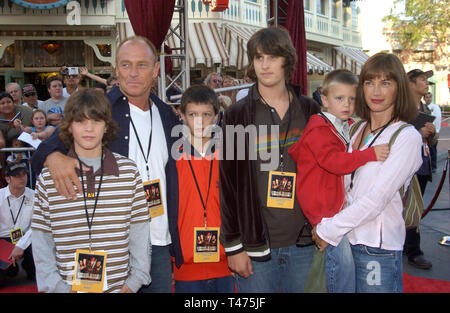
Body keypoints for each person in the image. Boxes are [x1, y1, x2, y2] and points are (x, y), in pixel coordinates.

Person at [30, 36, 183, 293]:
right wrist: (54, 157)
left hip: (158, 240)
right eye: (125, 65)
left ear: (156, 70)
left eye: (142, 65)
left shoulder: (166, 113)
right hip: (112, 249)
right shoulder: (101, 109)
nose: (132, 73)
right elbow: (42, 153)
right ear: (116, 69)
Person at [219, 26, 320, 293]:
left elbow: (324, 173)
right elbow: (228, 187)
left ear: (287, 59)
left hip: (305, 241)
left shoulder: (310, 110)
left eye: (272, 57)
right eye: (258, 57)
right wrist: (234, 247)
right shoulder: (237, 115)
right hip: (255, 246)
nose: (264, 65)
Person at [313, 52, 423, 293]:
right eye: (369, 82)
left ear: (399, 88)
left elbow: (377, 199)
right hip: (343, 241)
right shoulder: (356, 128)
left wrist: (328, 228)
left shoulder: (406, 137)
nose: (376, 91)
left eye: (386, 83)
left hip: (377, 247)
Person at [31, 89, 151, 293]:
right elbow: (42, 240)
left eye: (96, 121)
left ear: (106, 127)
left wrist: (134, 281)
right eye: (80, 121)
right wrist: (58, 287)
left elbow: (140, 230)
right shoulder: (49, 179)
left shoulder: (129, 172)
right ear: (68, 127)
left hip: (119, 289)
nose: (89, 128)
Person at [288, 69, 390, 293]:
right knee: (341, 270)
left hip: (332, 207)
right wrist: (369, 154)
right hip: (324, 210)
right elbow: (334, 162)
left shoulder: (341, 125)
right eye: (340, 98)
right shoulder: (319, 129)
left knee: (340, 268)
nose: (347, 104)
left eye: (352, 99)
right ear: (324, 100)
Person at [173, 84, 234, 293]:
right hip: (186, 267)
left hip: (226, 264)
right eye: (192, 114)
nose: (199, 121)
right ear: (181, 115)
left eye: (206, 114)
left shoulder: (230, 158)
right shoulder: (172, 160)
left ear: (217, 117)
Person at [404, 69, 436, 270]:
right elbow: (397, 135)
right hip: (409, 166)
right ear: (411, 84)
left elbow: (430, 140)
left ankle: (407, 245)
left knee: (414, 208)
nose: (426, 83)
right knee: (411, 208)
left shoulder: (424, 107)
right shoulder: (403, 109)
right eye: (422, 79)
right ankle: (414, 251)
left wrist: (431, 134)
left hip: (423, 164)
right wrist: (418, 131)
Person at [0, 163, 36, 286]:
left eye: (24, 174)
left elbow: (36, 226)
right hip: (3, 240)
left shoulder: (35, 196)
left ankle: (30, 268)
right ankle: (11, 269)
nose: (22, 178)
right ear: (7, 179)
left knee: (38, 240)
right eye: (17, 175)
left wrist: (20, 245)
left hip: (27, 239)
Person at [424, 92, 440, 173]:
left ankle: (433, 167)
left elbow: (436, 120)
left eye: (430, 97)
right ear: (424, 98)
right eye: (426, 97)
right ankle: (429, 166)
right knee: (428, 150)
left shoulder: (435, 107)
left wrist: (435, 131)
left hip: (434, 132)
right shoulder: (424, 107)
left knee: (433, 150)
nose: (428, 98)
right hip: (427, 132)